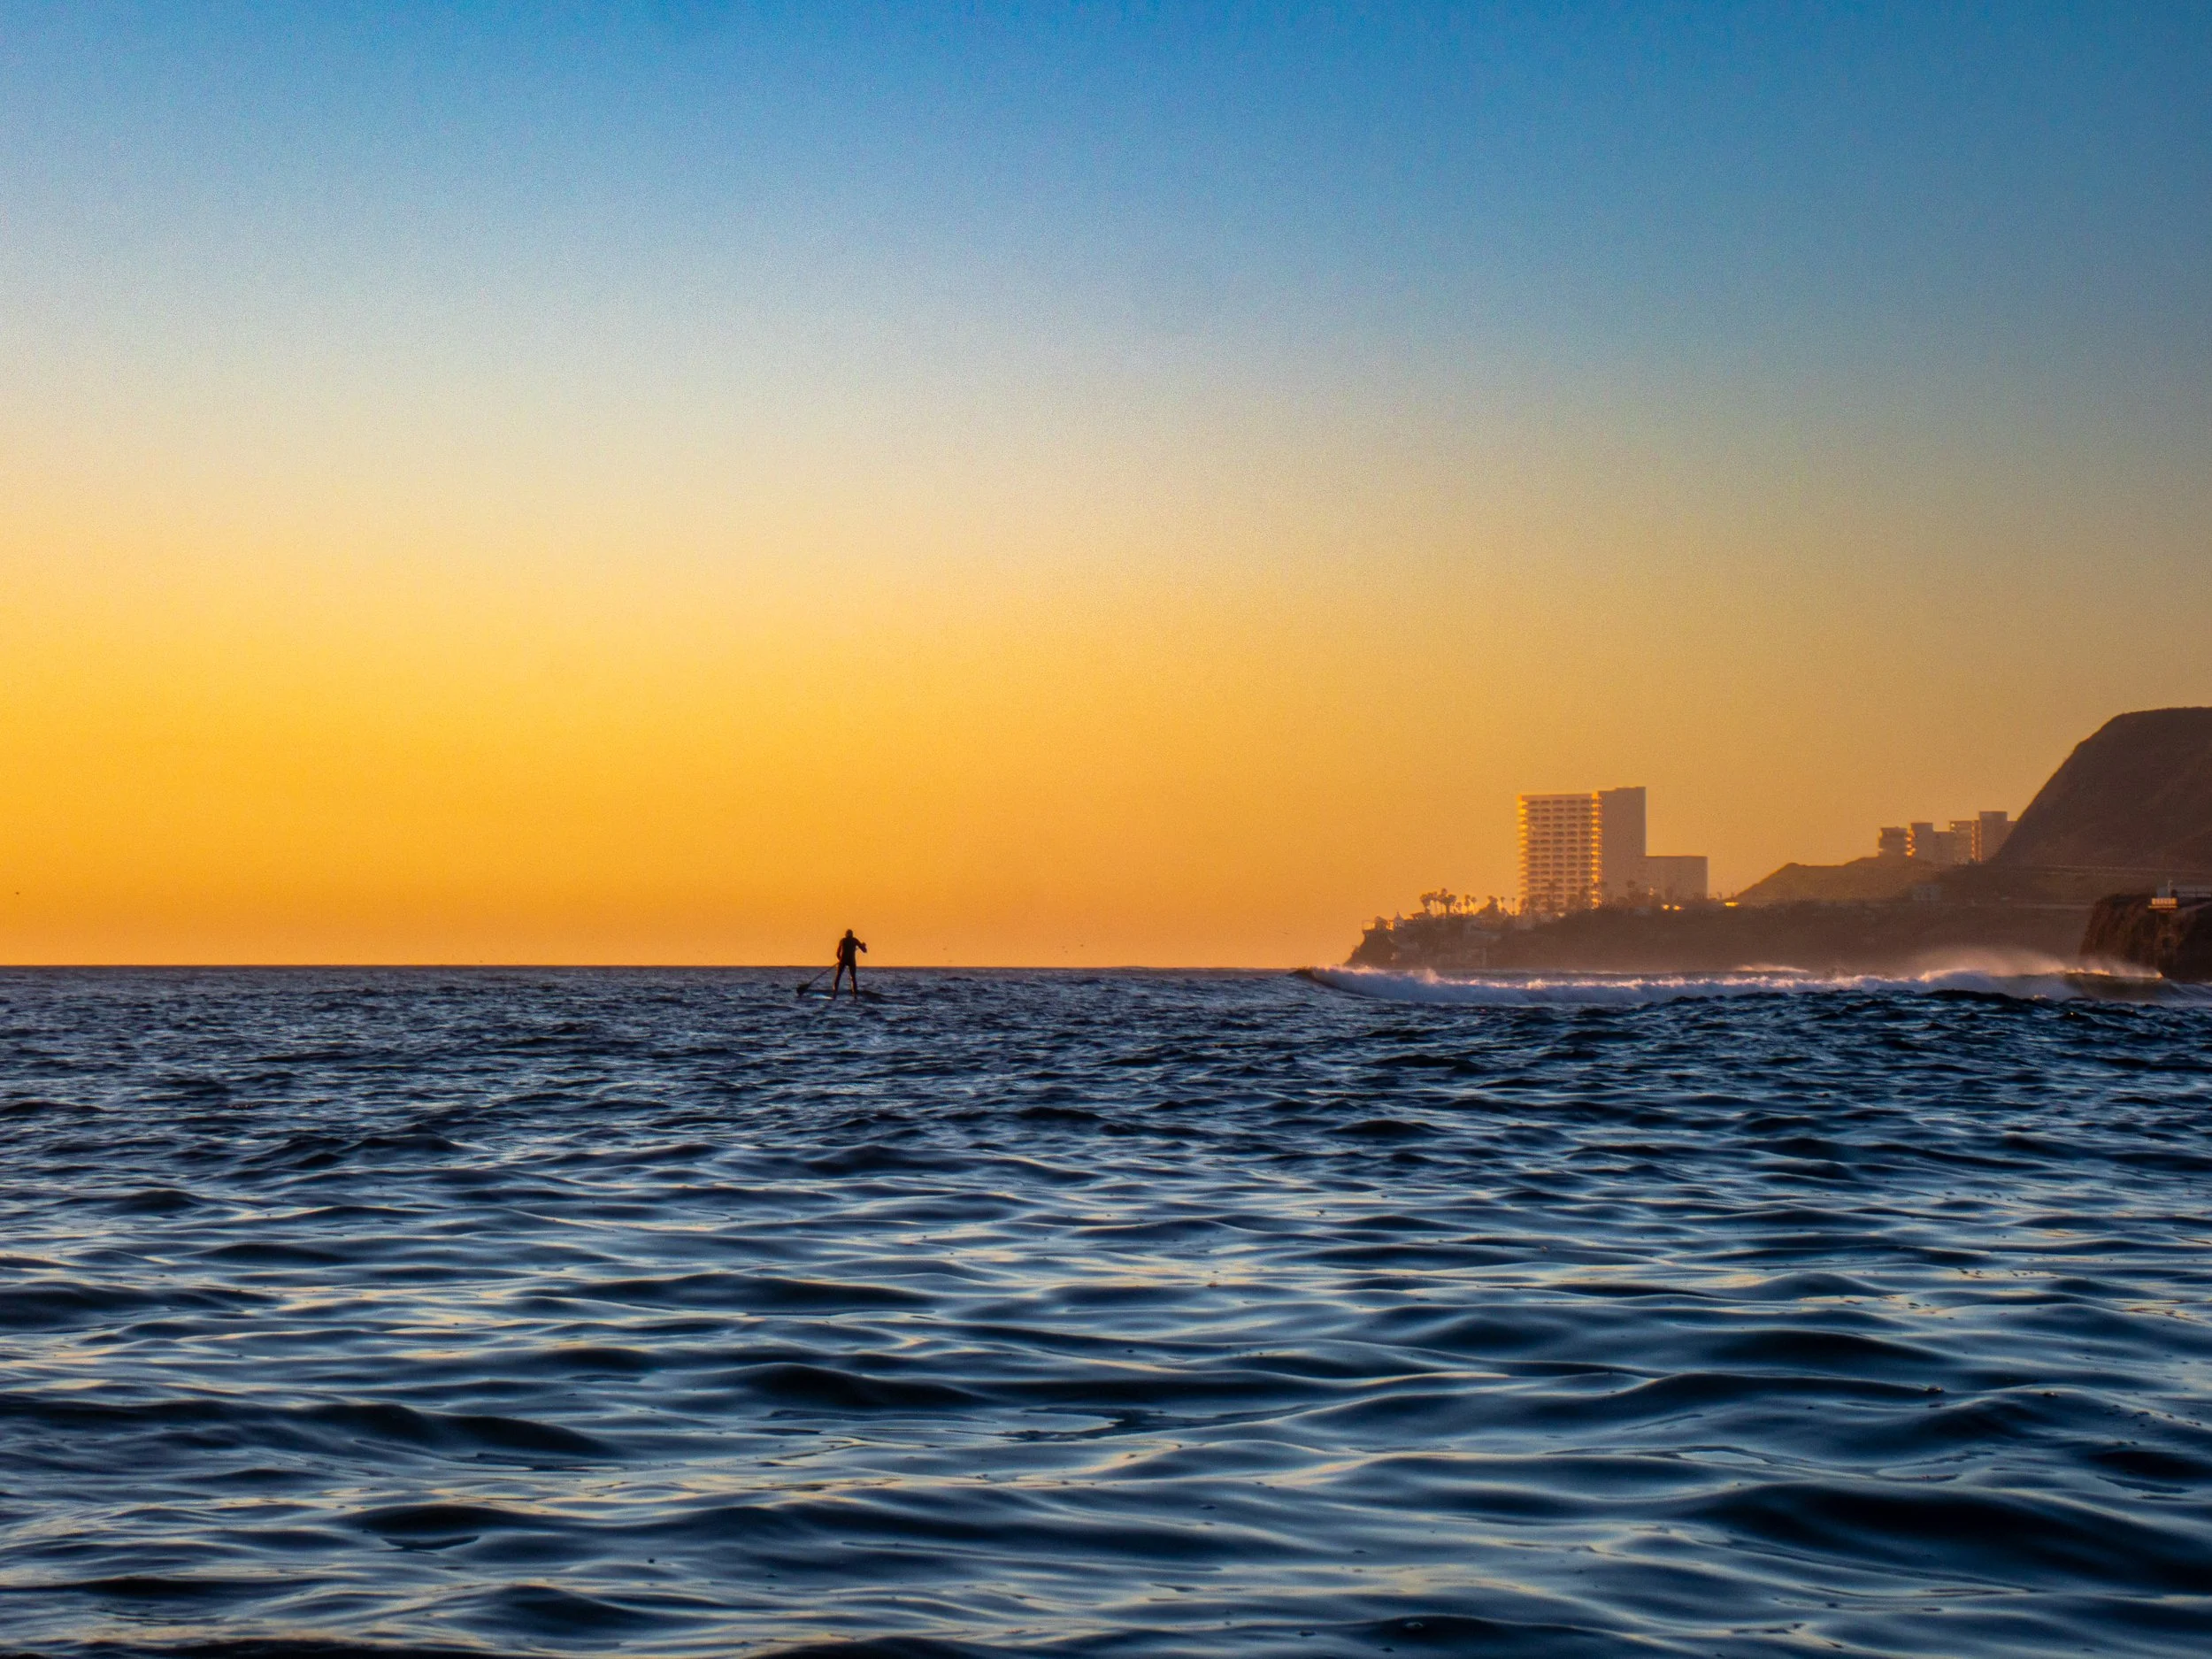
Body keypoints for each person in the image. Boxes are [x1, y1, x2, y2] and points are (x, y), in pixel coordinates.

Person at [829, 928, 867, 999]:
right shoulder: (854, 940)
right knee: (852, 977)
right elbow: (864, 951)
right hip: (850, 961)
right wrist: (863, 946)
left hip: (844, 960)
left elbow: (837, 954)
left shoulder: (843, 940)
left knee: (838, 976)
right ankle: (854, 994)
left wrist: (840, 960)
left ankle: (835, 992)